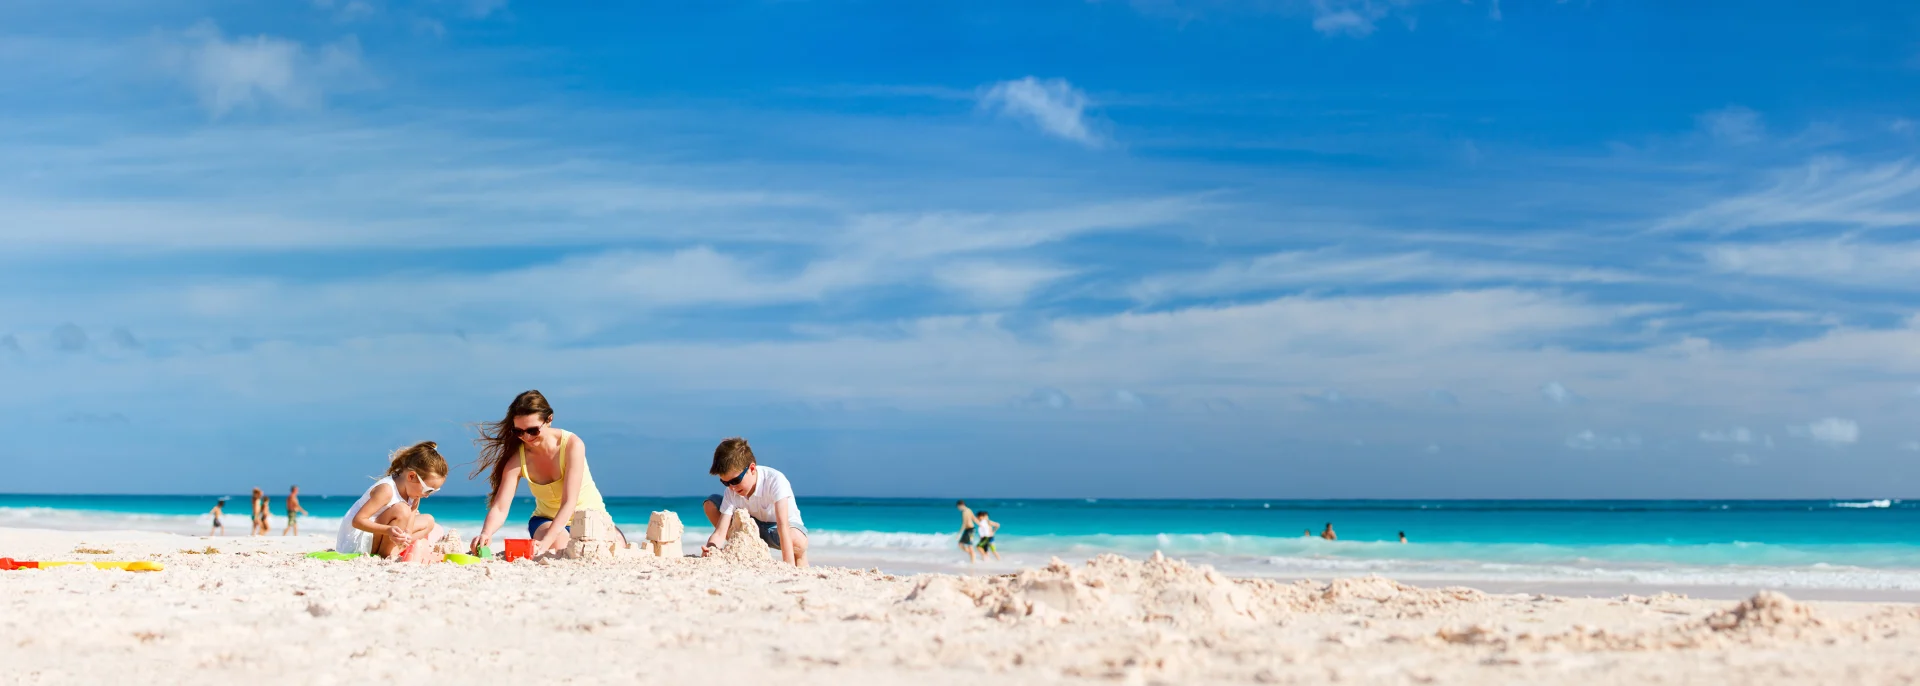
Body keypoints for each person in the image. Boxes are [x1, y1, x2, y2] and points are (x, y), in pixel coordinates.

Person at [468, 390, 624, 558]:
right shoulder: (518, 459)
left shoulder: (572, 445)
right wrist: (486, 533)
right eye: (519, 431)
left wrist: (544, 545)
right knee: (561, 546)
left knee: (617, 548)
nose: (526, 437)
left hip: (591, 519)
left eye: (533, 430)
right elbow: (500, 507)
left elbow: (569, 502)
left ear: (549, 419)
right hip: (546, 522)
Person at [701, 437, 808, 567]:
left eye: (735, 481)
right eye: (725, 482)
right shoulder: (731, 490)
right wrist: (711, 549)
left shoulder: (775, 480)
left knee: (797, 541)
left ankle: (800, 559)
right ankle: (741, 547)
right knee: (711, 504)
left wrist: (788, 565)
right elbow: (720, 532)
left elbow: (783, 526)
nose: (732, 488)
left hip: (779, 529)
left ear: (752, 469)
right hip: (753, 528)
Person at [336, 441, 448, 559]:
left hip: (382, 536)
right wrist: (388, 530)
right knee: (402, 509)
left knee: (429, 521)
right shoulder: (386, 490)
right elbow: (358, 521)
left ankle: (399, 548)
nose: (428, 495)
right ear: (411, 476)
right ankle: (390, 554)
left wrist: (407, 535)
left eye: (434, 491)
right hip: (358, 542)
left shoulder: (415, 495)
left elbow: (410, 523)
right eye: (428, 490)